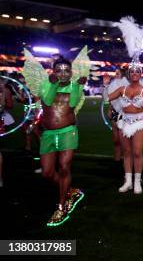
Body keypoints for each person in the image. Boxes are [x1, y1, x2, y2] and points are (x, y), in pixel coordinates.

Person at [104, 17, 143, 195]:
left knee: (137, 152)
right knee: (126, 152)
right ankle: (127, 181)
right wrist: (107, 84)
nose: (135, 74)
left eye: (138, 72)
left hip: (139, 121)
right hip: (124, 121)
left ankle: (138, 182)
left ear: (140, 74)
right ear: (129, 74)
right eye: (132, 72)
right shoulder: (121, 88)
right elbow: (109, 99)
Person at [32, 57, 87, 227]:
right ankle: (70, 191)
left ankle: (62, 206)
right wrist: (53, 84)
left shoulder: (74, 86)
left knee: (64, 167)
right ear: (53, 71)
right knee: (47, 173)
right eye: (59, 70)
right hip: (48, 133)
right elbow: (47, 101)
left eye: (66, 70)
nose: (63, 74)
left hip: (67, 132)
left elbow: (72, 103)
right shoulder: (45, 85)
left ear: (71, 72)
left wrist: (78, 86)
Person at [107, 68, 128, 162]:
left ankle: (126, 162)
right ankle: (117, 160)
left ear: (123, 75)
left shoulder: (126, 85)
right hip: (115, 112)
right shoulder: (113, 85)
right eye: (115, 73)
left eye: (117, 73)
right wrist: (110, 110)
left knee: (123, 140)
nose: (115, 75)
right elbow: (112, 100)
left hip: (123, 114)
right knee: (116, 140)